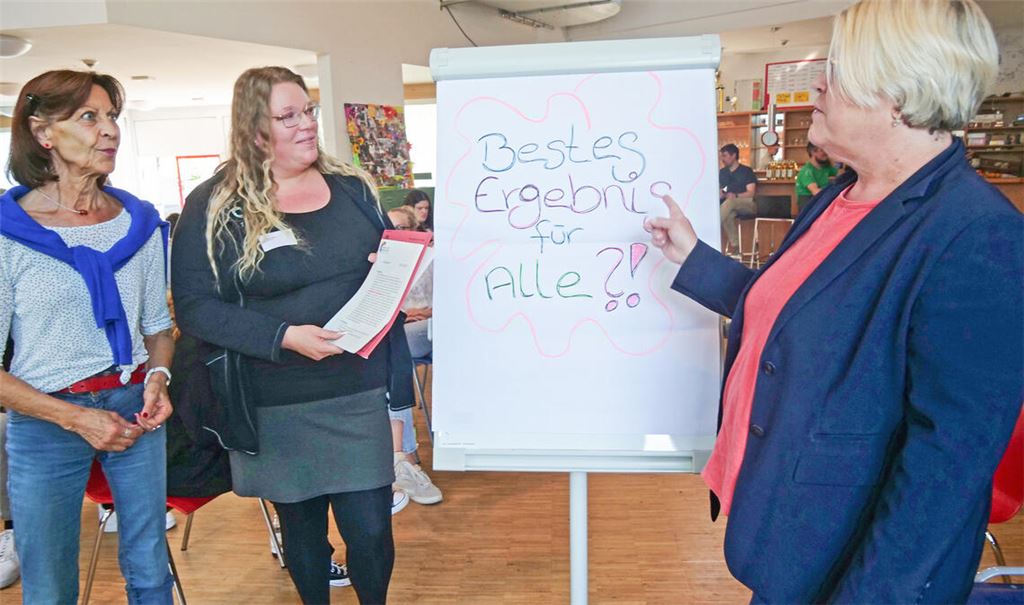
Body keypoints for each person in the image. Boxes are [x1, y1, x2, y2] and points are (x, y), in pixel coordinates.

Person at [645, 1, 1022, 602]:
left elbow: (946, 470)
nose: (819, 81)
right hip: (791, 541)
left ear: (898, 94)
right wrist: (694, 258)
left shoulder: (978, 235)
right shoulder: (844, 194)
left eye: (840, 68)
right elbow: (804, 317)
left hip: (853, 572)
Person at [171, 66, 415, 605]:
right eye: (288, 117)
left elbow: (382, 264)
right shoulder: (214, 205)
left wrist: (392, 267)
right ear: (255, 130)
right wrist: (284, 335)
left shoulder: (351, 188)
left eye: (308, 111)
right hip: (275, 402)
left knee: (372, 528)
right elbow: (195, 309)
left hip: (356, 389)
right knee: (304, 535)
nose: (306, 125)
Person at [0, 70, 175, 604]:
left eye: (113, 117)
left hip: (135, 409)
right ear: (43, 132)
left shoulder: (139, 223)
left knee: (149, 569)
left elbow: (158, 329)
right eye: (89, 117)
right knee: (50, 584)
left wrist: (160, 378)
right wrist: (77, 418)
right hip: (46, 419)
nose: (110, 131)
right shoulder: (7, 233)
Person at [385, 206, 442, 505]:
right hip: (404, 330)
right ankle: (404, 458)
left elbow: (447, 301)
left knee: (392, 353)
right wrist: (403, 314)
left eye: (398, 227)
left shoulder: (431, 261)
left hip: (431, 326)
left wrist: (422, 312)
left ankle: (403, 458)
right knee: (392, 355)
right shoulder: (384, 262)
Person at [717, 143, 757, 255]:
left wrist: (736, 196)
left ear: (733, 155)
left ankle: (713, 225)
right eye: (721, 156)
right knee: (728, 213)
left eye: (724, 156)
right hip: (729, 205)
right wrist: (719, 194)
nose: (722, 159)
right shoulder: (722, 172)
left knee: (729, 203)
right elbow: (720, 189)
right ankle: (735, 247)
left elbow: (751, 193)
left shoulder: (746, 171)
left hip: (747, 204)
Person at [794, 142, 838, 213]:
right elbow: (816, 192)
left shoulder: (826, 167)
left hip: (820, 201)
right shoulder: (806, 171)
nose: (826, 153)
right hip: (808, 205)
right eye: (822, 150)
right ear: (813, 152)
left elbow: (841, 174)